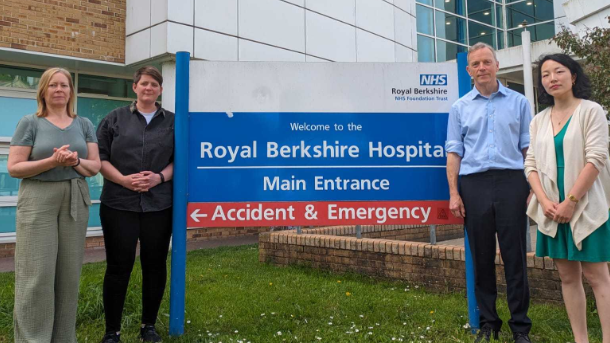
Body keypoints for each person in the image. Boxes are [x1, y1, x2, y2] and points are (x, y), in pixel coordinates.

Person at [446, 42, 533, 343]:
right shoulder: (459, 108)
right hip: (475, 184)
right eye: (475, 64)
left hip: (512, 181)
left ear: (497, 65)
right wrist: (454, 193)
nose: (481, 68)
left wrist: (532, 185)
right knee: (481, 257)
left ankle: (520, 327)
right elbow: (454, 151)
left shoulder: (519, 102)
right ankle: (488, 324)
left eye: (486, 62)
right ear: (469, 70)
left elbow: (527, 148)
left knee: (515, 257)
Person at [8, 67, 101, 342]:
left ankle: (63, 337)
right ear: (44, 91)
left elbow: (94, 165)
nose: (59, 89)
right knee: (36, 273)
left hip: (75, 195)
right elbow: (14, 167)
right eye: (53, 85)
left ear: (71, 91)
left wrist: (74, 162)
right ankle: (32, 338)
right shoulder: (30, 122)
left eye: (64, 85)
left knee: (68, 274)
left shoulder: (84, 124)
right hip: (39, 197)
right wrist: (52, 161)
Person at [525, 53, 610, 343]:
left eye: (558, 71)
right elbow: (531, 165)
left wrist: (571, 201)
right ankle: (580, 340)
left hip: (584, 206)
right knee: (568, 277)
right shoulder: (538, 120)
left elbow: (597, 158)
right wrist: (544, 201)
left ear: (573, 76)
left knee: (598, 277)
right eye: (545, 74)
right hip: (551, 210)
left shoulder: (591, 110)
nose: (552, 78)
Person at [97, 66, 174, 343]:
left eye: (154, 84)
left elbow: (181, 160)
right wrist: (123, 181)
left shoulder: (173, 122)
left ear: (160, 90)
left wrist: (159, 177)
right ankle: (112, 331)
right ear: (135, 87)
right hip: (119, 204)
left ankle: (148, 327)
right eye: (144, 83)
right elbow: (100, 159)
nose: (148, 88)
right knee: (119, 266)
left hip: (159, 206)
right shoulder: (113, 119)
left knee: (155, 265)